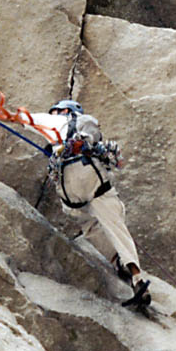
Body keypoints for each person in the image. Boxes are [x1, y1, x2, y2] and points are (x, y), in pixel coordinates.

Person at [24, 99, 152, 307]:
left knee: (114, 227)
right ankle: (120, 264)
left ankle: (137, 278)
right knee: (93, 230)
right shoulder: (56, 141)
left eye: (56, 113)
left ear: (66, 111)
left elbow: (91, 132)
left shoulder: (81, 121)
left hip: (96, 189)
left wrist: (81, 142)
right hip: (75, 201)